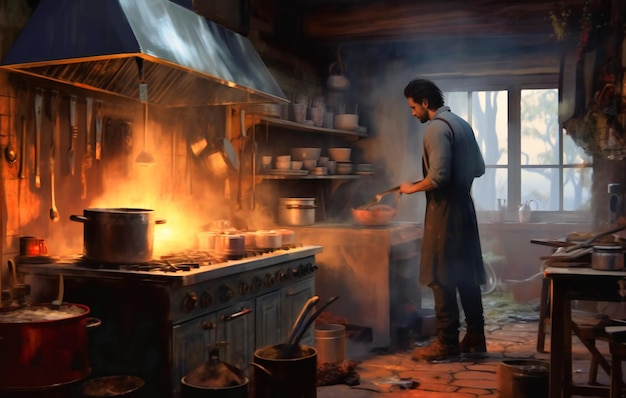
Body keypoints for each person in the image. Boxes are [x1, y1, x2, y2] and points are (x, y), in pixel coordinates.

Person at [398, 78, 487, 361]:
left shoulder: (435, 129)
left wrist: (411, 187)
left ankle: (447, 343)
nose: (412, 113)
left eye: (413, 107)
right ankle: (475, 336)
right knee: (466, 275)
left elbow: (439, 177)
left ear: (425, 103)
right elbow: (480, 169)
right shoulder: (462, 125)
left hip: (445, 213)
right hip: (465, 210)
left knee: (441, 275)